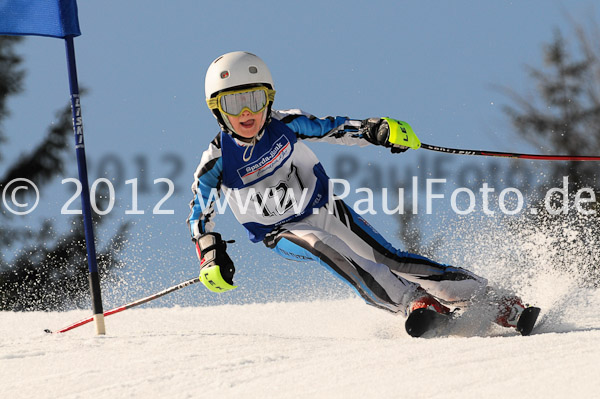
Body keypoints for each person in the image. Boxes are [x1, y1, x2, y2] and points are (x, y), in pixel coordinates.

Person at [187, 51, 527, 331]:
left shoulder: (285, 125)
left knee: (388, 257)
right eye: (234, 104)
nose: (247, 113)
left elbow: (333, 128)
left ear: (269, 99)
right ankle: (413, 302)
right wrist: (210, 253)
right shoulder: (217, 159)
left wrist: (376, 130)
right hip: (279, 230)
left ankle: (488, 297)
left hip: (323, 207)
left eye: (255, 99)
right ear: (217, 110)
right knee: (330, 250)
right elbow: (200, 213)